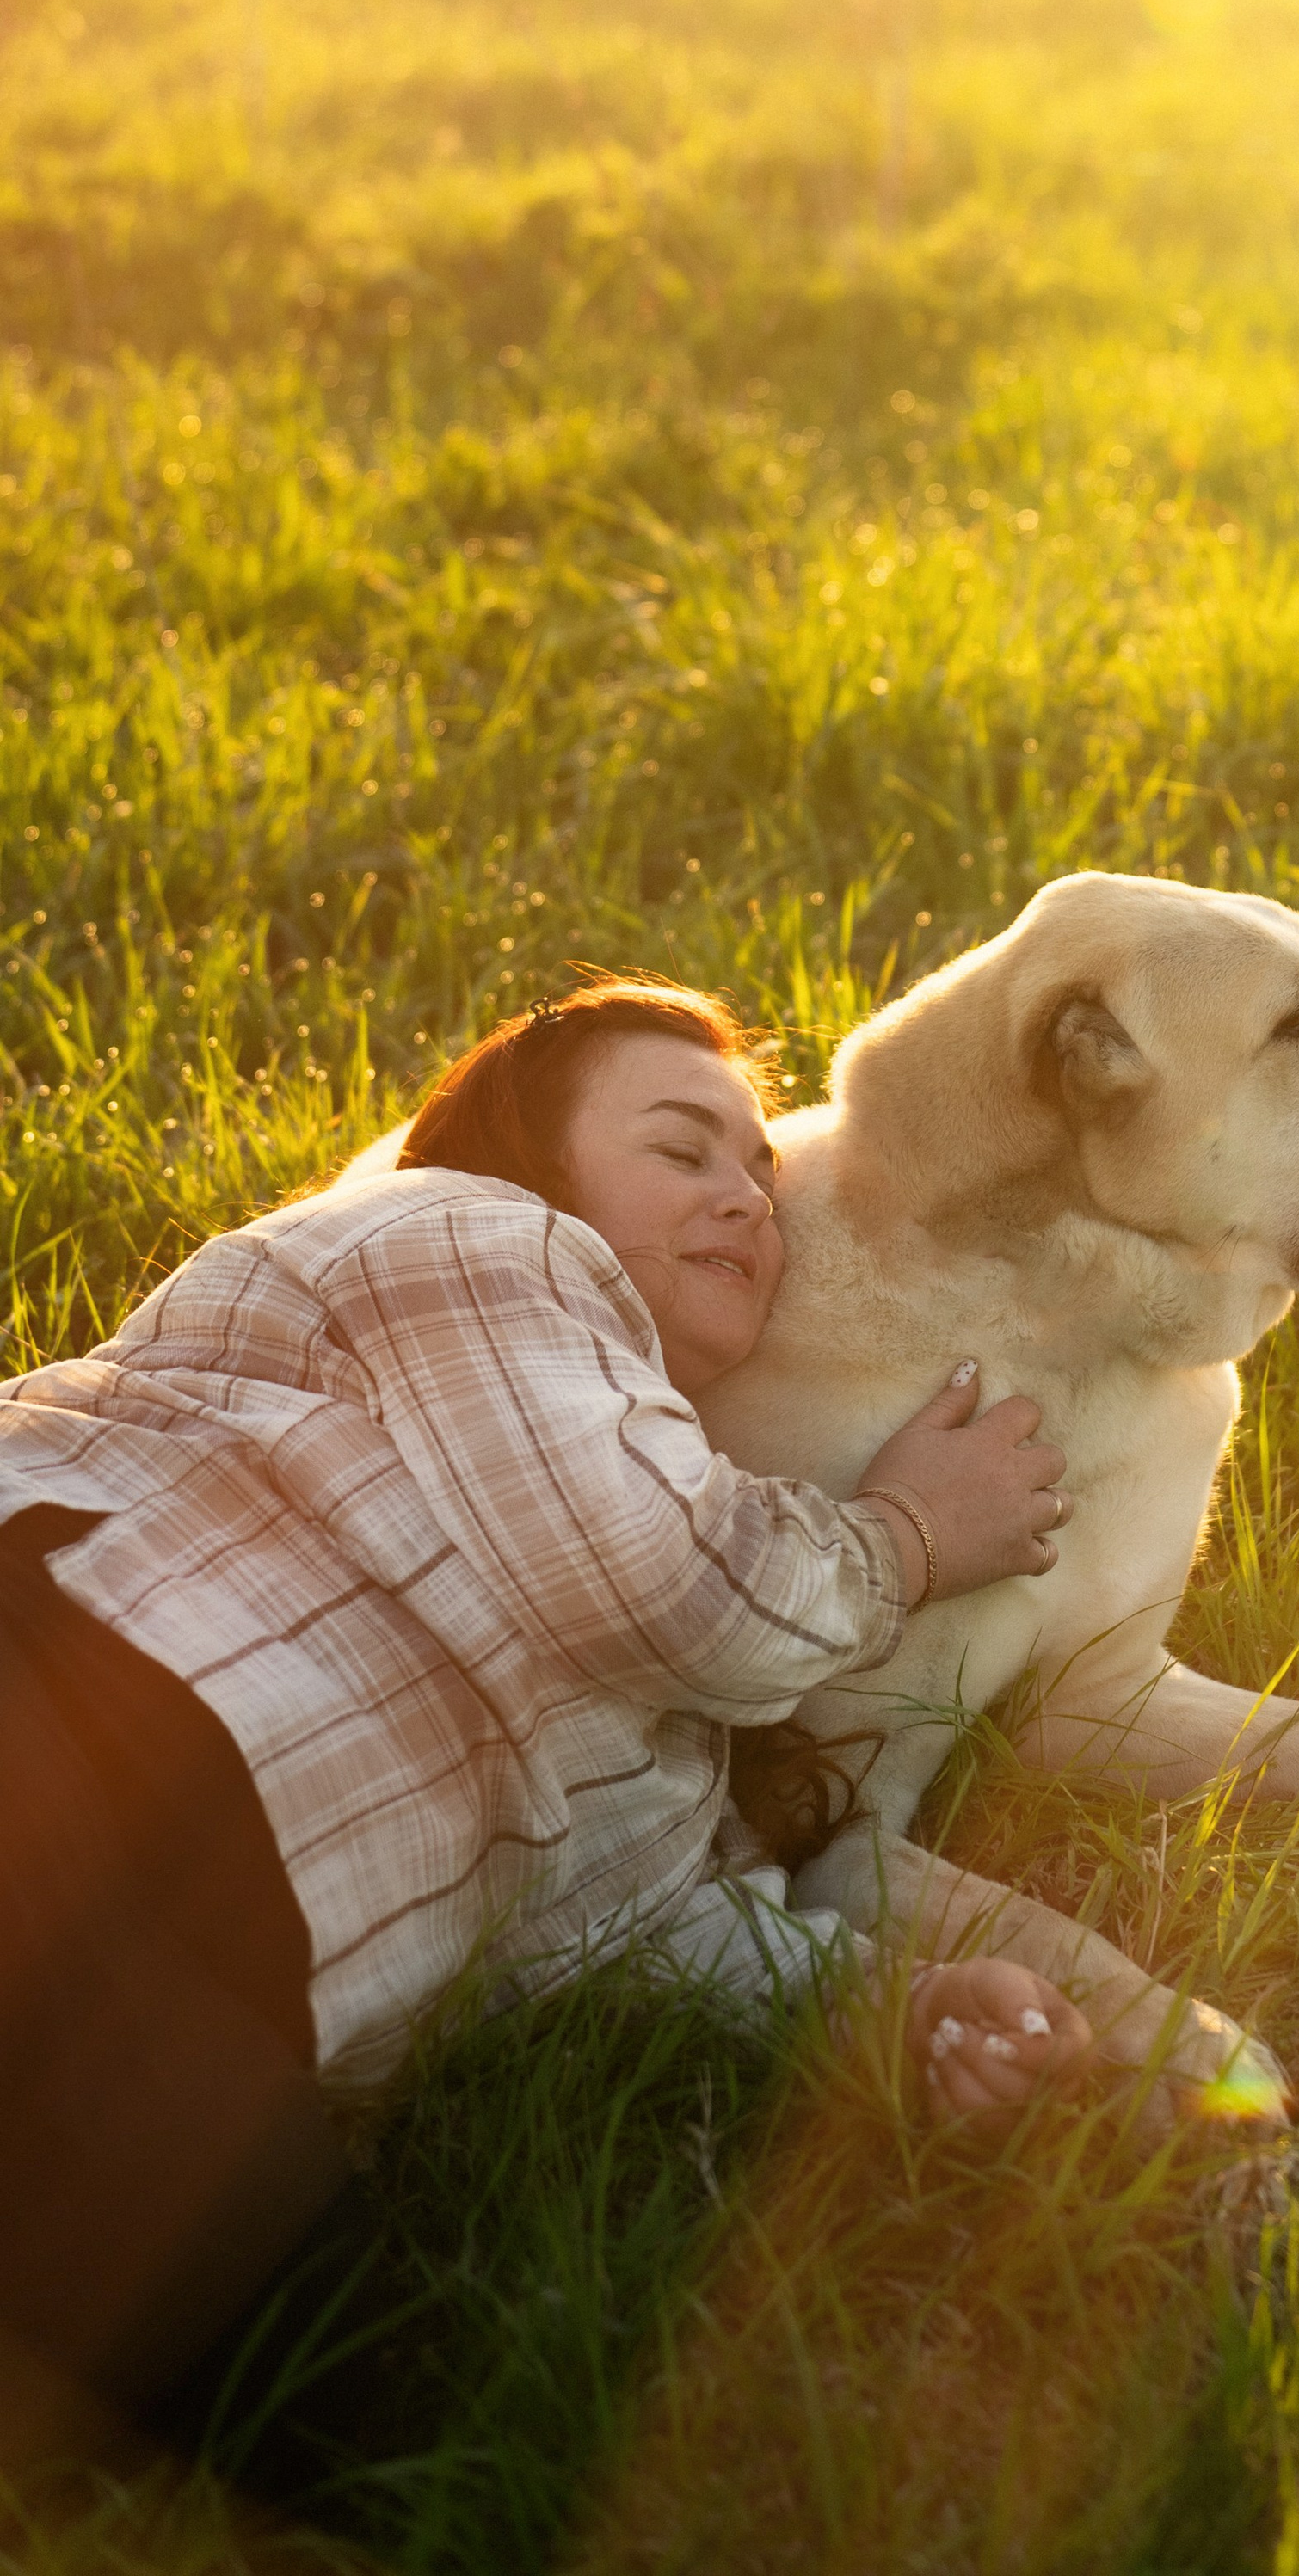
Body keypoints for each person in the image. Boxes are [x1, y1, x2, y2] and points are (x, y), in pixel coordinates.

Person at [0, 974, 1092, 2418]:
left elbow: (632, 1928)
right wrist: (908, 1539)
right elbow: (670, 1589)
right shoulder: (460, 1235)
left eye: (762, 1172)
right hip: (63, 1696)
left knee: (392, 2405)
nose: (750, 1201)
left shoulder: (667, 1710)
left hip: (225, 1978)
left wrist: (905, 2014)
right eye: (682, 1148)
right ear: (527, 1160)